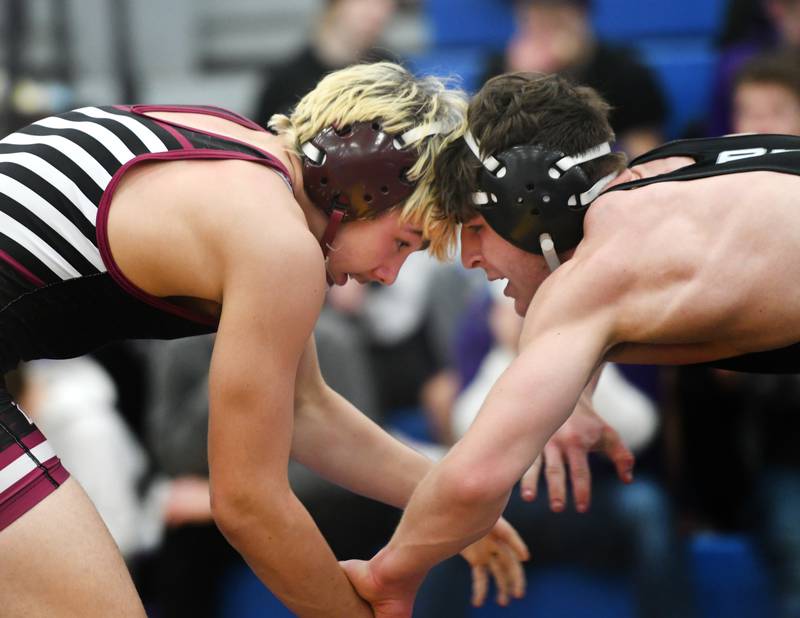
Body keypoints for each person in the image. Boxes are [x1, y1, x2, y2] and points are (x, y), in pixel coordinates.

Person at [0, 61, 529, 617]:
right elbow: (248, 504)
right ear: (360, 184)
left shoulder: (244, 158)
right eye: (402, 243)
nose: (388, 275)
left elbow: (306, 412)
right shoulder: (276, 243)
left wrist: (452, 505)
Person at [341, 69, 800, 616]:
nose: (469, 259)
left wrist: (388, 573)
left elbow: (475, 478)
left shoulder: (598, 274)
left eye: (478, 228)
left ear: (527, 200)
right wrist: (574, 398)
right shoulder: (665, 173)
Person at [483, 0, 668, 157]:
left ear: (581, 13)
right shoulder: (500, 73)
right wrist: (524, 81)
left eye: (556, 12)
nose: (545, 22)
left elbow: (645, 154)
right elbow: (489, 150)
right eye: (535, 12)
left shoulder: (625, 71)